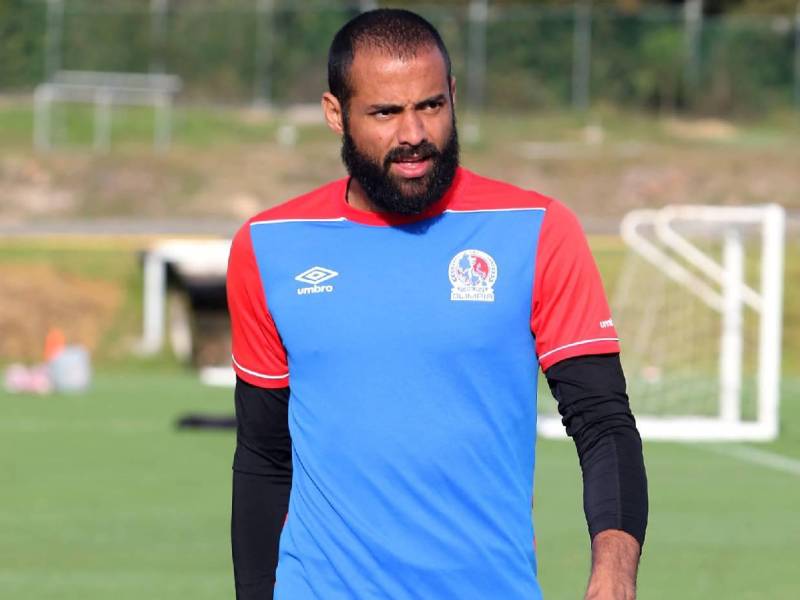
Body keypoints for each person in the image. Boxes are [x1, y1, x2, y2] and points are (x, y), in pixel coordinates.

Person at [227, 8, 647, 600]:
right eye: (384, 113)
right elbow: (264, 456)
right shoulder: (268, 246)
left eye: (430, 106)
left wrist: (613, 570)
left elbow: (603, 424)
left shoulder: (536, 230)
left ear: (453, 95)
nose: (413, 135)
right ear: (334, 114)